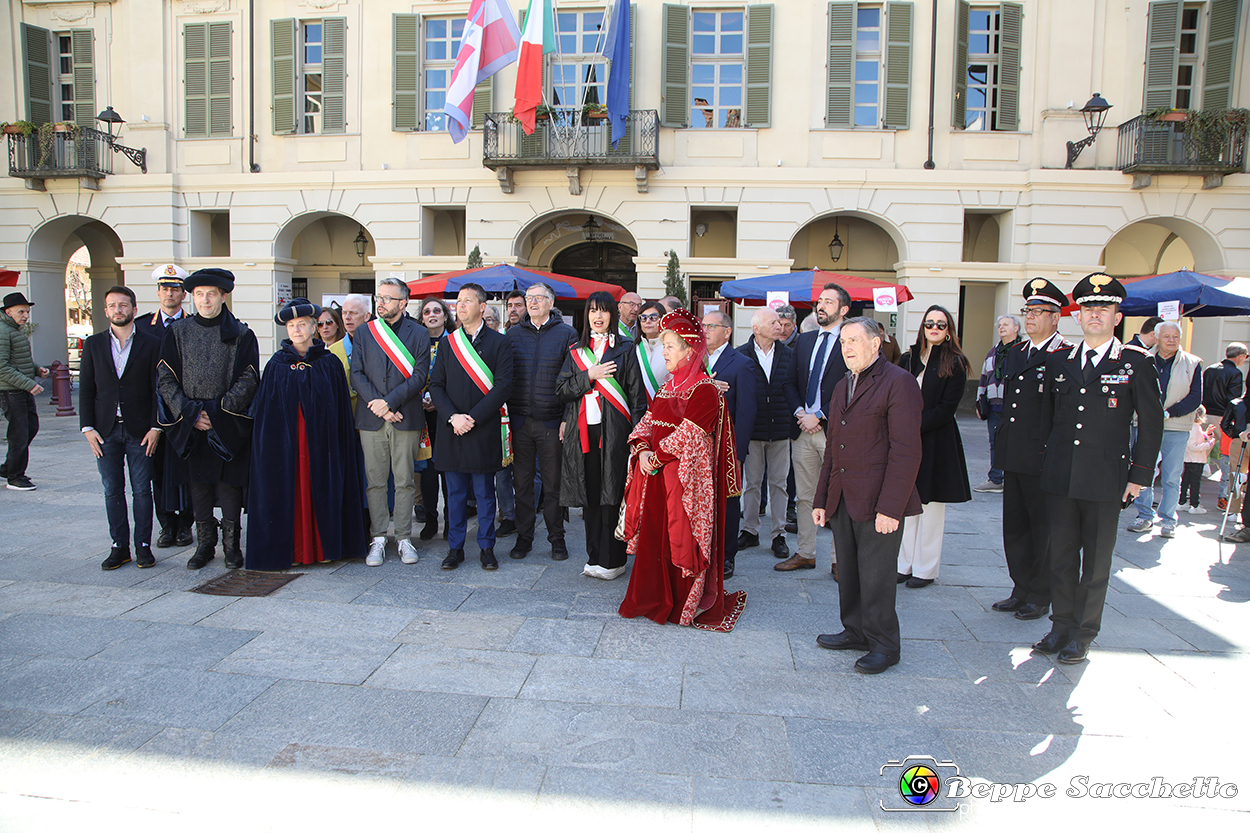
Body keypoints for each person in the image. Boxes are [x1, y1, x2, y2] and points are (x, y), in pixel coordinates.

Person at [1033, 273, 1163, 665]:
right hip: (1061, 474)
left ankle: (1084, 633)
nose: (1095, 315)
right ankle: (1060, 625)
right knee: (1060, 557)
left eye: (1103, 308)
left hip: (1107, 478)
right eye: (1088, 308)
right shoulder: (1059, 361)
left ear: (1116, 316)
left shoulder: (1135, 363)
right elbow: (1047, 420)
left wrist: (1139, 476)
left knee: (1096, 562)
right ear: (1078, 315)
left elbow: (1151, 424)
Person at [618, 308, 747, 631]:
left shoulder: (704, 388)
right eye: (663, 346)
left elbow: (689, 434)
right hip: (657, 475)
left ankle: (680, 601)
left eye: (670, 346)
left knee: (679, 537)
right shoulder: (668, 384)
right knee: (655, 535)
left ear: (690, 349)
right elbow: (648, 421)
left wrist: (656, 457)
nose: (664, 352)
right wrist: (643, 448)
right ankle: (651, 597)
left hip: (683, 482)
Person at [812, 317, 923, 674]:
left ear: (876, 344)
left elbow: (906, 451)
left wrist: (891, 507)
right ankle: (855, 630)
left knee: (876, 575)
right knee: (849, 568)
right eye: (843, 342)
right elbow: (833, 447)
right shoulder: (844, 384)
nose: (847, 348)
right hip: (844, 496)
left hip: (879, 501)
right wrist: (821, 499)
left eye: (854, 341)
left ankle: (885, 645)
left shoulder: (899, 383)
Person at [246, 298, 367, 570]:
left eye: (302, 324)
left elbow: (338, 409)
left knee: (320, 486)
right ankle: (290, 549)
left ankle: (324, 547)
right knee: (288, 489)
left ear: (314, 328)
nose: (296, 330)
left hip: (321, 444)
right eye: (291, 325)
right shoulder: (276, 365)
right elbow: (266, 414)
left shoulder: (329, 363)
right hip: (285, 445)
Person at [157, 269, 259, 569]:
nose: (204, 299)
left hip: (226, 423)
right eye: (199, 294)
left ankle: (231, 546)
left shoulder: (242, 334)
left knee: (229, 487)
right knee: (197, 485)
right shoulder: (178, 332)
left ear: (223, 296)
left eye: (211, 294)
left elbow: (249, 378)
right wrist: (191, 413)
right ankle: (205, 544)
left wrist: (215, 414)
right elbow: (165, 376)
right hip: (191, 425)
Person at [991, 278, 1071, 621]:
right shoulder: (1019, 352)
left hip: (1043, 456)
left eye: (1040, 311)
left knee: (1044, 529)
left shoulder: (1064, 354)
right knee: (1016, 526)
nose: (1032, 317)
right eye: (1029, 311)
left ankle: (1040, 593)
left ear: (1056, 317)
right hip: (1014, 452)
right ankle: (1020, 587)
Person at [556, 292, 647, 579]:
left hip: (615, 433)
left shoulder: (625, 348)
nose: (598, 316)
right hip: (583, 432)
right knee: (591, 494)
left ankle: (613, 560)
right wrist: (589, 375)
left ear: (613, 315)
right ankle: (594, 556)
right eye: (593, 310)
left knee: (613, 493)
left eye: (603, 311)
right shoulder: (575, 350)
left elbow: (636, 397)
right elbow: (562, 390)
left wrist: (636, 438)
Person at [429, 283, 514, 571]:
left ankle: (486, 547)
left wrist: (472, 418)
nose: (460, 306)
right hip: (452, 429)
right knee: (453, 495)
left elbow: (502, 387)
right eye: (458, 301)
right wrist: (454, 417)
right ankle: (455, 548)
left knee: (485, 494)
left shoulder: (500, 343)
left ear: (482, 307)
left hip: (482, 428)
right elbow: (436, 385)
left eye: (467, 301)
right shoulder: (447, 343)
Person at [80, 286, 163, 570]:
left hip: (141, 431)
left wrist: (156, 426)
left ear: (134, 309)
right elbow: (86, 389)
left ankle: (142, 546)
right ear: (105, 311)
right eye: (113, 305)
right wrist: (87, 427)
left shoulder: (151, 343)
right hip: (104, 431)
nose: (118, 310)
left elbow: (158, 389)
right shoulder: (93, 344)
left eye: (123, 305)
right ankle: (119, 546)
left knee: (142, 490)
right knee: (112, 490)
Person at [350, 277, 430, 567]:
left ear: (403, 302)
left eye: (387, 298)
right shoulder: (364, 332)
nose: (380, 302)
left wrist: (391, 402)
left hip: (405, 416)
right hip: (372, 417)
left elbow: (420, 375)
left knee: (405, 480)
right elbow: (356, 373)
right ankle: (379, 537)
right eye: (379, 297)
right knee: (375, 482)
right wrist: (382, 407)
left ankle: (405, 536)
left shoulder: (419, 334)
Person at [896, 305, 972, 588]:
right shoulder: (909, 357)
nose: (935, 329)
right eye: (930, 324)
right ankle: (903, 565)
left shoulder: (955, 362)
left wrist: (913, 424)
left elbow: (946, 409)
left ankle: (925, 570)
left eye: (941, 324)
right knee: (906, 502)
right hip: (906, 440)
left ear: (949, 329)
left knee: (930, 507)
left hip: (937, 440)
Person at [779, 283, 851, 573]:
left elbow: (851, 386)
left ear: (844, 310)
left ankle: (839, 560)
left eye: (829, 302)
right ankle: (806, 552)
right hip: (802, 430)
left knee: (838, 495)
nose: (821, 306)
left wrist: (819, 415)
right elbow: (788, 382)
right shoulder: (805, 341)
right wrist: (801, 412)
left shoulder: (850, 340)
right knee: (805, 495)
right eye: (820, 301)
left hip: (835, 431)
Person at [507, 282, 578, 561]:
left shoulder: (566, 334)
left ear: (551, 302)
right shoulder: (513, 335)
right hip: (520, 421)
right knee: (522, 484)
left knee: (553, 485)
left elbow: (572, 380)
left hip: (551, 422)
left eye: (538, 298)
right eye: (529, 298)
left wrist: (565, 419)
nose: (533, 302)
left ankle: (556, 539)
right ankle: (524, 538)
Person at [1127, 320, 1202, 538]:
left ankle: (1168, 520)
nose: (1171, 340)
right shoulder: (1142, 359)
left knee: (1171, 476)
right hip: (1142, 424)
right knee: (1143, 471)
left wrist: (1169, 413)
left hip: (1176, 426)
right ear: (1156, 338)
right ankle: (1144, 516)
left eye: (1175, 337)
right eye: (1167, 336)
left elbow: (1195, 397)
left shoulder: (1193, 363)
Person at [136, 264, 194, 547]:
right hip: (154, 411)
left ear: (183, 294)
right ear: (158, 292)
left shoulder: (194, 324)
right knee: (157, 470)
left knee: (188, 468)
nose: (170, 293)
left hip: (185, 409)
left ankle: (186, 523)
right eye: (165, 288)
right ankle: (166, 524)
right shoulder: (141, 326)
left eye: (175, 289)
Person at [737, 307, 797, 571]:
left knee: (779, 484)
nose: (780, 326)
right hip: (752, 432)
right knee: (751, 484)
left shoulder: (790, 355)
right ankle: (750, 531)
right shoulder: (741, 355)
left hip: (781, 431)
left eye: (781, 322)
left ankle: (779, 534)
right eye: (773, 322)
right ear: (756, 328)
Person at [703, 310, 757, 576]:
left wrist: (739, 453)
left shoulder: (741, 363)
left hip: (727, 446)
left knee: (728, 499)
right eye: (703, 325)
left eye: (711, 326)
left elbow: (747, 413)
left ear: (727, 331)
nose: (705, 330)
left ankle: (726, 555)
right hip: (699, 444)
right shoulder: (695, 359)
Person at [0, 292, 50, 491]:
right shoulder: (3, 331)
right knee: (19, 433)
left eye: (27, 312)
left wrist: (37, 369)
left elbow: (19, 360)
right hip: (11, 391)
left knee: (30, 427)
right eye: (21, 312)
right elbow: (2, 367)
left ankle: (8, 468)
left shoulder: (15, 329)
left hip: (21, 389)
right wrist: (28, 383)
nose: (25, 315)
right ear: (8, 312)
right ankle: (15, 477)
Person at [417, 297, 455, 540]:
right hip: (420, 415)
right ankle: (430, 518)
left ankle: (452, 520)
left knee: (447, 472)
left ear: (444, 316)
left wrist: (439, 401)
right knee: (428, 472)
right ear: (422, 317)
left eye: (437, 311)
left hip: (446, 414)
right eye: (427, 311)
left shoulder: (454, 341)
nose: (432, 315)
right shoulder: (414, 342)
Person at [973, 314, 1022, 493]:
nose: (1001, 327)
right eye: (1000, 325)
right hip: (994, 405)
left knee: (1015, 442)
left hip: (1015, 406)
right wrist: (980, 399)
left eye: (1006, 325)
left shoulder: (1022, 350)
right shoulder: (993, 351)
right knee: (995, 442)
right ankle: (995, 479)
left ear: (1016, 328)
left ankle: (1013, 480)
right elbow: (985, 377)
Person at [1202, 342, 1246, 509]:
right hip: (1223, 418)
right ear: (1241, 356)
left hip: (1205, 416)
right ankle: (1224, 497)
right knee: (1227, 458)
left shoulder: (1210, 369)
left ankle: (1190, 498)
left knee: (1199, 457)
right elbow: (1233, 401)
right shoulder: (1235, 372)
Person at [329, 293, 371, 411]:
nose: (347, 317)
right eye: (344, 312)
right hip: (344, 412)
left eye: (353, 313)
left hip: (373, 415)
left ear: (367, 316)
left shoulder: (380, 346)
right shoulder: (332, 351)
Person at [1181, 406, 1215, 515]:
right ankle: (1194, 505)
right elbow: (1193, 446)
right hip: (1196, 459)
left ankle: (1182, 502)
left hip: (1190, 458)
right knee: (1195, 482)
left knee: (1186, 480)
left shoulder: (1194, 427)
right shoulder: (1194, 428)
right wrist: (1208, 444)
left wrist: (1207, 434)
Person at [635, 300, 670, 404]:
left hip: (666, 407)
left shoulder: (672, 349)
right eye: (643, 317)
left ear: (663, 319)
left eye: (653, 317)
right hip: (640, 410)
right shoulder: (633, 349)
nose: (648, 321)